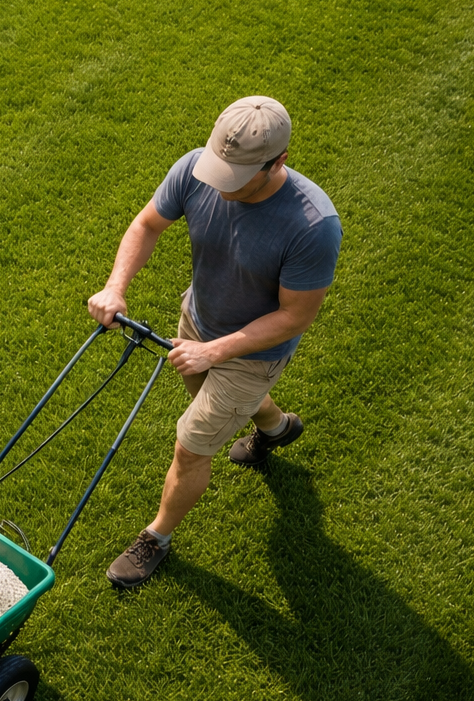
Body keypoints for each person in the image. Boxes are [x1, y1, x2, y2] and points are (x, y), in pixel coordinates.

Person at [87, 96, 342, 589]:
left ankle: (155, 540)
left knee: (191, 445)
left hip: (253, 352)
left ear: (278, 162)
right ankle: (276, 427)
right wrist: (116, 287)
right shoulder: (194, 170)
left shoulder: (312, 226)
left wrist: (217, 351)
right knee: (220, 404)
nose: (219, 183)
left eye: (238, 175)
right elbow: (147, 224)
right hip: (197, 319)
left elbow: (295, 316)